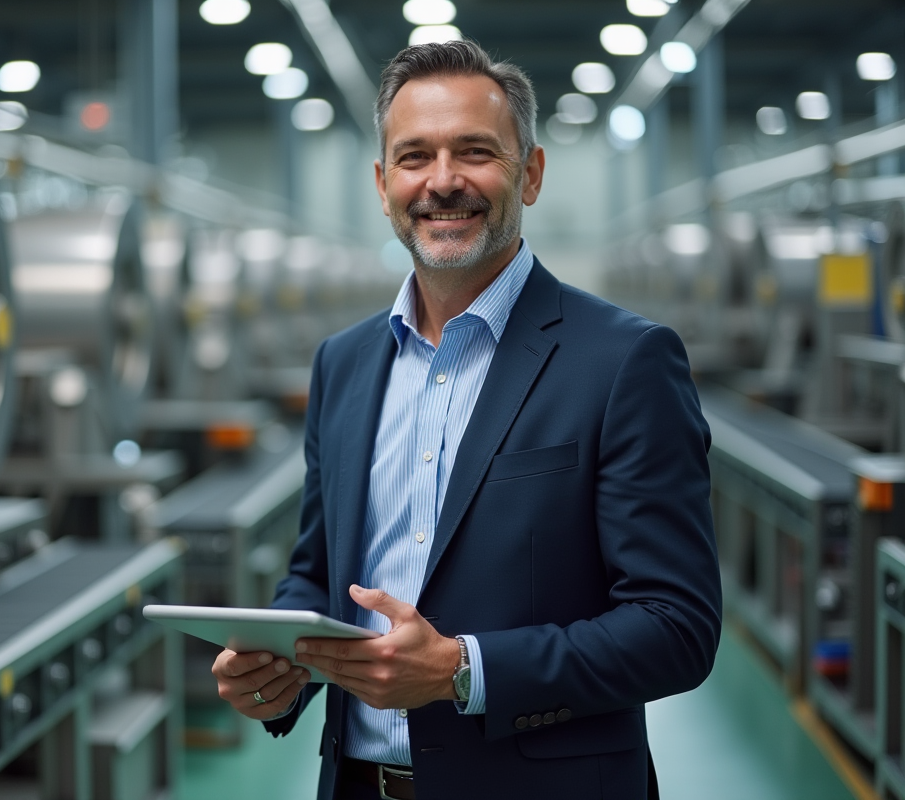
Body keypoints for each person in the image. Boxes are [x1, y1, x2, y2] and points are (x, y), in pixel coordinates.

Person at [212, 40, 721, 800]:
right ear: (383, 184)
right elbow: (318, 573)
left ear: (533, 173)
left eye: (475, 152)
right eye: (414, 157)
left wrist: (462, 671)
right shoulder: (343, 364)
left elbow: (676, 625)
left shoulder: (624, 361)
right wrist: (280, 661)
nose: (442, 182)